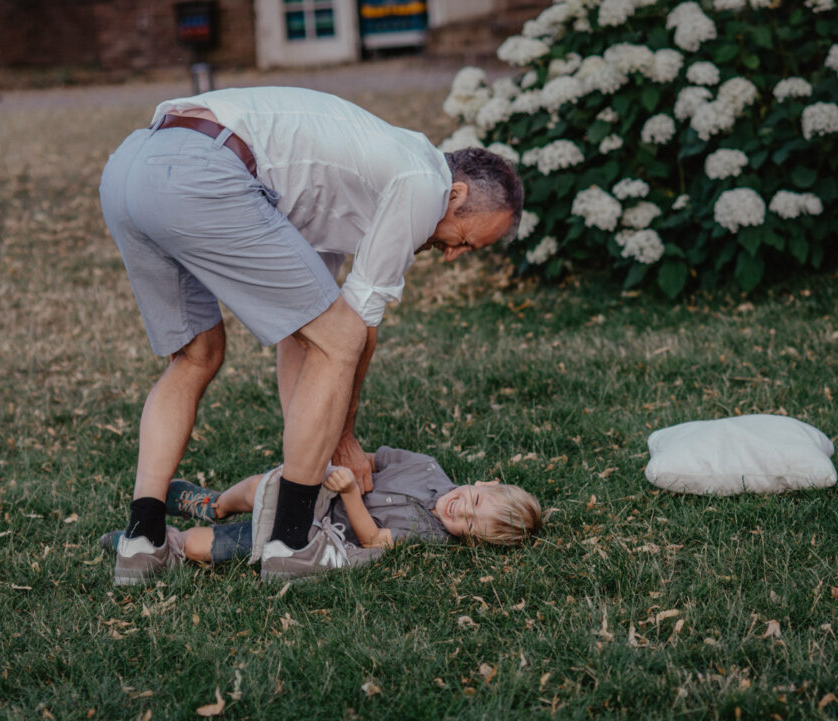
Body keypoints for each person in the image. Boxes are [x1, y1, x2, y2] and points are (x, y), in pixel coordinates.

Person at [98, 86, 524, 584]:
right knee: (343, 337)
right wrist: (340, 437)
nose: (452, 254)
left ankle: (142, 541)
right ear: (456, 195)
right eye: (464, 239)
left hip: (132, 167)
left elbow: (300, 335)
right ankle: (292, 543)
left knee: (196, 356)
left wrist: (306, 453)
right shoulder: (423, 182)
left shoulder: (350, 184)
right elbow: (355, 330)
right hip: (200, 171)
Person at [101, 447, 543, 568]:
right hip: (315, 494)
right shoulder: (425, 468)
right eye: (476, 501)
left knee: (211, 549)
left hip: (312, 535)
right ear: (485, 481)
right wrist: (348, 468)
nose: (460, 511)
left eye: (469, 525)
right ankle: (215, 503)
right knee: (258, 490)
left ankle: (160, 545)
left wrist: (352, 494)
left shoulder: (430, 538)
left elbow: (373, 540)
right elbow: (367, 459)